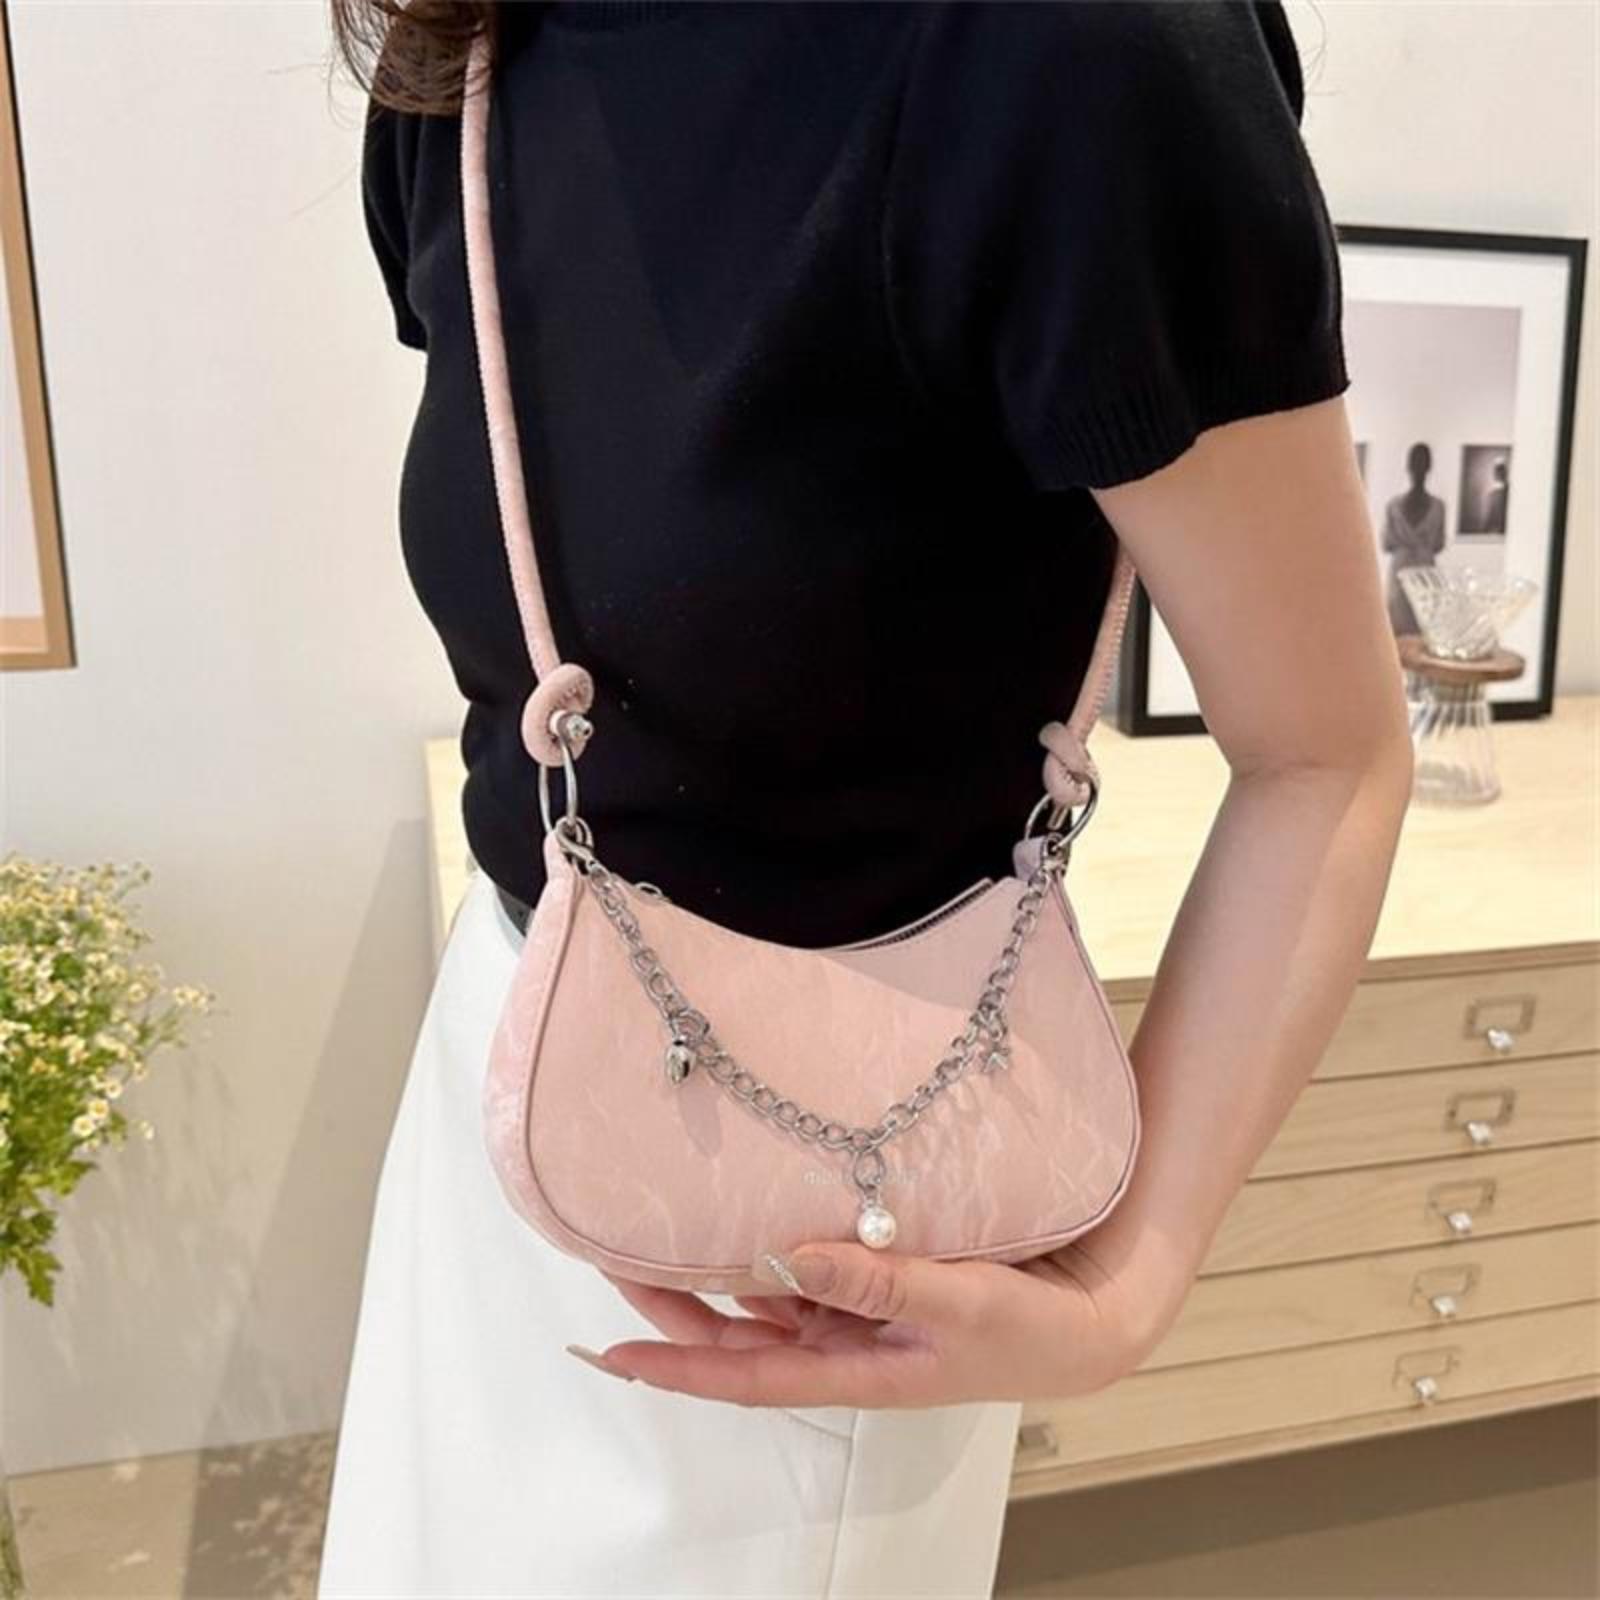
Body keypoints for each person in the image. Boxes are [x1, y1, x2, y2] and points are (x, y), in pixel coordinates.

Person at [317, 3, 1413, 1595]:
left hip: (810, 1243)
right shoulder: (473, 45)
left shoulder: (1070, 55)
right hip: (495, 1106)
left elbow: (1326, 754)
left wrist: (1127, 1280)